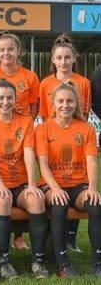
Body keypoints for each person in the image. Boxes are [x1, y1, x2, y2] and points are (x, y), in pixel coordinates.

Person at [0, 78, 49, 279]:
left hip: (20, 182)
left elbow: (28, 153)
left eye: (10, 97)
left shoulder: (26, 121)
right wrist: (0, 185)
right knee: (3, 198)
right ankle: (4, 262)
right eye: (1, 97)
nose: (5, 102)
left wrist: (33, 184)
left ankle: (38, 261)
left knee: (36, 199)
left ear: (15, 99)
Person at [36, 81, 101, 278]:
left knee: (96, 205)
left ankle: (97, 264)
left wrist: (92, 187)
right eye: (61, 101)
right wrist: (55, 189)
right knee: (59, 204)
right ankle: (63, 265)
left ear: (76, 104)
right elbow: (43, 165)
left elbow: (91, 161)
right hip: (51, 185)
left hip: (78, 185)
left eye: (70, 101)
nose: (65, 105)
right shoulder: (43, 129)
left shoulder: (86, 129)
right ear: (53, 103)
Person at [39, 34, 91, 252]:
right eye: (59, 57)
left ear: (73, 58)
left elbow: (84, 115)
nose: (63, 61)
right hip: (51, 141)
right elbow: (43, 115)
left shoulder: (84, 83)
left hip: (75, 139)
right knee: (56, 187)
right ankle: (56, 238)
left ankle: (70, 238)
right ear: (53, 59)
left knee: (77, 180)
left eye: (67, 57)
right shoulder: (45, 84)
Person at [0, 31, 40, 119]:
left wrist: (26, 125)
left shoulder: (31, 77)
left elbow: (34, 107)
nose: (6, 53)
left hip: (21, 130)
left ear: (18, 51)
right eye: (2, 50)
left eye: (10, 49)